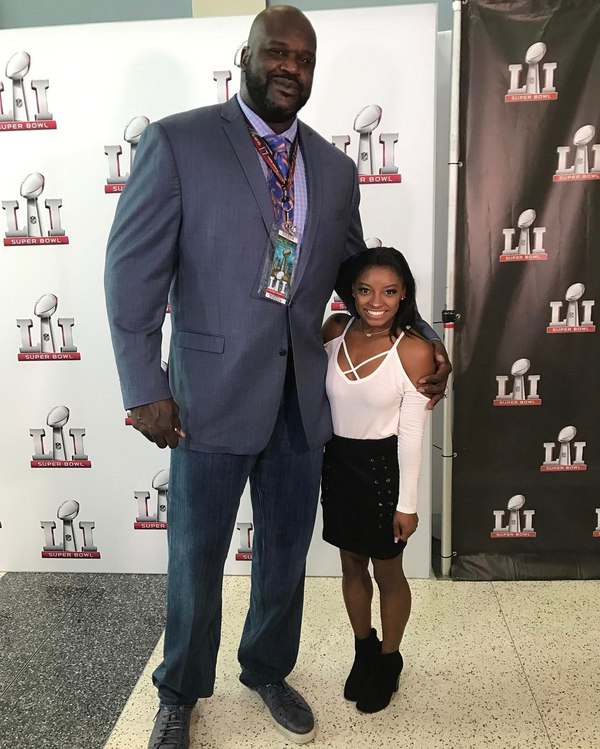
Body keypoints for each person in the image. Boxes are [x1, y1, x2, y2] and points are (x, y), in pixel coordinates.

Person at [104, 6, 450, 748]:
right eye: (277, 52)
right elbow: (132, 276)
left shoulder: (333, 166)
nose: (291, 66)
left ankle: (265, 667)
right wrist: (144, 387)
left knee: (286, 549)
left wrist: (419, 338)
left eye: (305, 57)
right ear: (247, 55)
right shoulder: (179, 142)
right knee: (197, 556)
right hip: (208, 397)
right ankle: (181, 687)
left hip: (302, 404)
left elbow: (361, 276)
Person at [321, 247, 434, 714]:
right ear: (351, 292)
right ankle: (363, 649)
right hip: (339, 465)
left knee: (388, 571)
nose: (376, 301)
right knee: (351, 566)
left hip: (383, 470)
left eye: (389, 291)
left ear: (404, 293)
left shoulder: (414, 349)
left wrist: (407, 504)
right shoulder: (333, 332)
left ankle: (389, 660)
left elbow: (411, 435)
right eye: (366, 290)